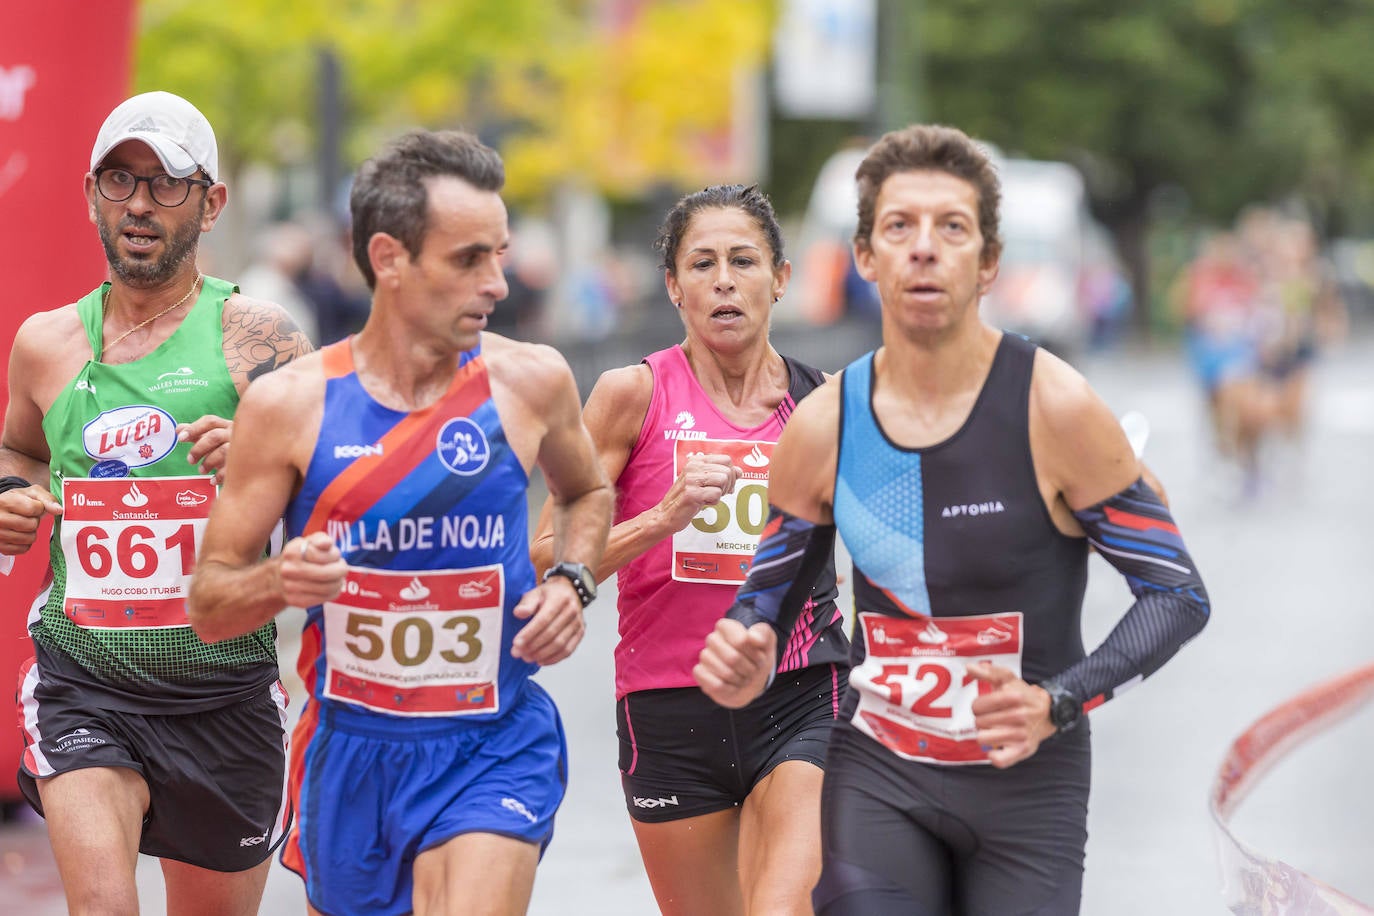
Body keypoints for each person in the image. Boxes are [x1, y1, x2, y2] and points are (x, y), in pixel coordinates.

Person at [694, 125, 1211, 915]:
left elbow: (1177, 596)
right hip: (882, 771)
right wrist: (744, 644)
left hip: (1027, 783)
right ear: (865, 257)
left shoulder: (1055, 407)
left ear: (990, 261)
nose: (924, 249)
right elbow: (766, 602)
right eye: (899, 227)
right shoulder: (826, 424)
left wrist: (1059, 701)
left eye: (953, 228)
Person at [186, 129, 613, 916]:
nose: (497, 282)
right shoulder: (290, 407)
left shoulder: (531, 381)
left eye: (501, 254)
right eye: (468, 259)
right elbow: (211, 605)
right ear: (388, 258)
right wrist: (281, 579)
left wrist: (572, 580)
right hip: (352, 753)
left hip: (496, 738)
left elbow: (587, 493)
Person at [0, 91, 312, 915]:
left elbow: (333, 490)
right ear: (90, 195)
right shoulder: (45, 343)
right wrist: (13, 497)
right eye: (119, 180)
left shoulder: (260, 337)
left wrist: (254, 464)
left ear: (211, 203)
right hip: (83, 680)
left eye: (168, 182)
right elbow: (22, 452)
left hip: (227, 692)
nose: (139, 203)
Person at [531, 184, 850, 916]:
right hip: (668, 706)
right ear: (674, 287)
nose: (725, 281)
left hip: (800, 694)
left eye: (744, 261)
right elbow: (549, 552)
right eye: (702, 265)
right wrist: (659, 521)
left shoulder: (822, 403)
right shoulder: (629, 396)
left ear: (781, 278)